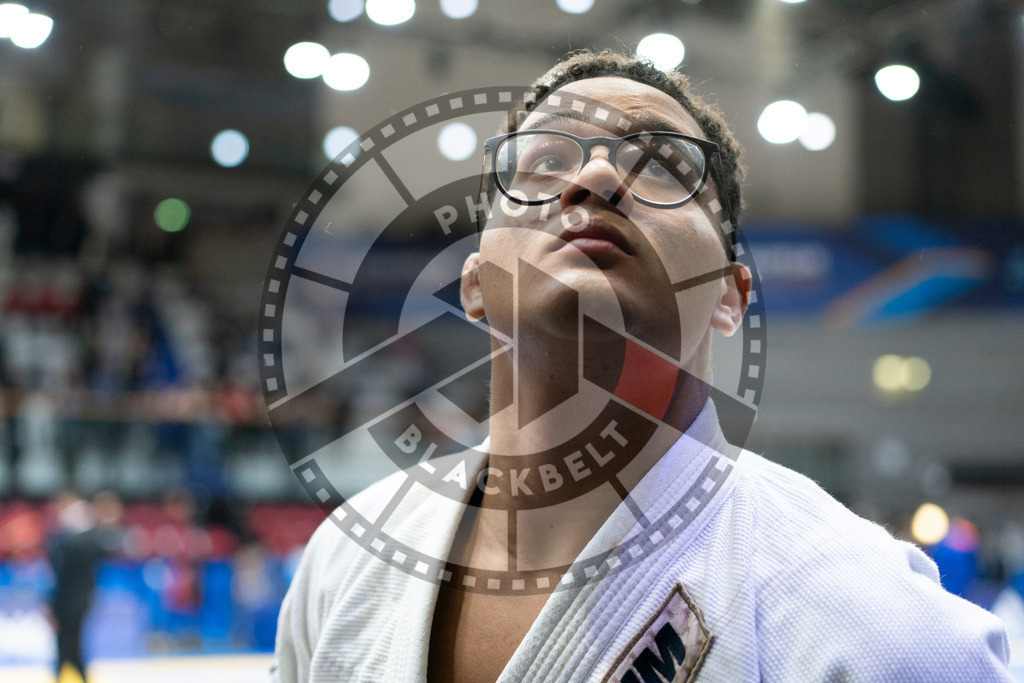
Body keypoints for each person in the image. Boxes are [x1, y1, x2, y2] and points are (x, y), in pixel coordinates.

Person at [272, 50, 1012, 682]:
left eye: (659, 165)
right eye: (547, 162)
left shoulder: (875, 627)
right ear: (473, 286)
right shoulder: (343, 562)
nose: (592, 180)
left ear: (729, 295)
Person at [46, 490, 124, 683]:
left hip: (69, 600)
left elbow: (58, 574)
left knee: (67, 642)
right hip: (82, 599)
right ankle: (74, 675)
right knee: (69, 642)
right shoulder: (88, 541)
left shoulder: (66, 543)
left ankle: (69, 675)